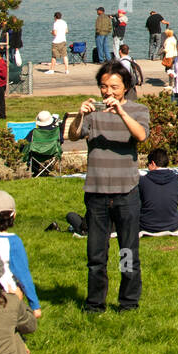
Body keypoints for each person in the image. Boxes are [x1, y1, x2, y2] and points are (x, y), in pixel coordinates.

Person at [68, 61, 150, 313]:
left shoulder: (138, 110)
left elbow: (141, 136)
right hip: (96, 195)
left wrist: (121, 113)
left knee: (127, 252)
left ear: (125, 87)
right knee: (96, 255)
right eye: (104, 87)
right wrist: (80, 114)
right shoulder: (93, 113)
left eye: (114, 87)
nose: (108, 92)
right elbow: (72, 136)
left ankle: (128, 303)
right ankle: (94, 304)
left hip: (126, 194)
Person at [0, 190, 42, 319]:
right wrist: (35, 305)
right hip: (5, 294)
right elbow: (23, 274)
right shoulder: (13, 242)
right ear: (14, 216)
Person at [139, 147, 178, 233]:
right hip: (171, 224)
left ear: (153, 163)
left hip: (146, 224)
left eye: (148, 164)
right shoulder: (177, 180)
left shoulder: (143, 181)